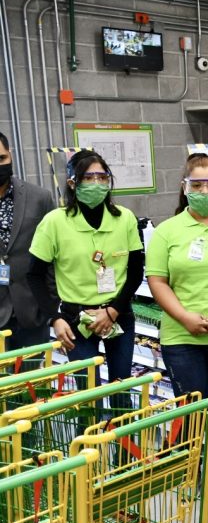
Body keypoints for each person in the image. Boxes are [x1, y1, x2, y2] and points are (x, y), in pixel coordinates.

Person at [145, 153, 208, 494]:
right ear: (184, 187)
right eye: (196, 184)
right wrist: (185, 317)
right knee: (191, 404)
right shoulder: (167, 231)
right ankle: (190, 468)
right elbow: (157, 281)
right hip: (181, 335)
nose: (204, 191)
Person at [27, 150, 144, 384]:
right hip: (75, 319)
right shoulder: (55, 222)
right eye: (88, 178)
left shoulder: (125, 218)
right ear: (73, 183)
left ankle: (120, 412)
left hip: (118, 313)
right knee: (88, 393)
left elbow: (135, 272)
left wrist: (112, 311)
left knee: (121, 388)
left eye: (102, 177)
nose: (96, 183)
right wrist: (54, 318)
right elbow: (34, 275)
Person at [0, 132, 57, 350]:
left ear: (10, 155)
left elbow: (55, 254)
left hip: (32, 312)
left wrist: (50, 303)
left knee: (34, 372)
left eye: (2, 158)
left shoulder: (40, 198)